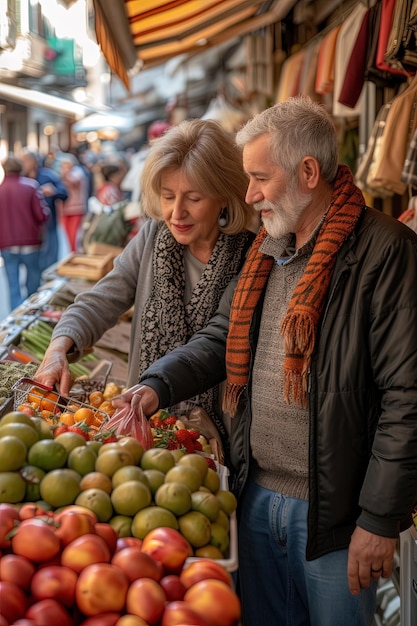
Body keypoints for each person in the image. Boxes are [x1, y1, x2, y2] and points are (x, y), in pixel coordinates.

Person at [121, 96, 417, 626]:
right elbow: (220, 338)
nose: (249, 193)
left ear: (307, 172)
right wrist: (155, 385)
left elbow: (407, 395)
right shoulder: (269, 249)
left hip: (335, 517)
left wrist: (379, 518)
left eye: (259, 178)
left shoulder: (384, 250)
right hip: (256, 497)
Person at [34, 118, 257, 452]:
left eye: (193, 198)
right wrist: (57, 349)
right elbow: (102, 300)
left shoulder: (251, 257)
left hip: (216, 441)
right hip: (142, 430)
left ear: (224, 195)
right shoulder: (153, 239)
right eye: (168, 196)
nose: (176, 212)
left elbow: (217, 343)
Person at [0, 156, 50, 310]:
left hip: (7, 243)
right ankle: (32, 311)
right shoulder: (31, 186)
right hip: (31, 242)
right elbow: (42, 214)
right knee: (33, 280)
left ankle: (16, 316)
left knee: (12, 283)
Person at [21, 149, 68, 271]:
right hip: (29, 226)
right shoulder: (21, 180)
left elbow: (64, 193)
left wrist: (54, 191)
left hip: (48, 223)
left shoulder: (48, 176)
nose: (23, 164)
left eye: (25, 161)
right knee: (34, 262)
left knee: (51, 255)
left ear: (34, 161)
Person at [58, 153, 89, 252]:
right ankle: (71, 252)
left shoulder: (78, 172)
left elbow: (73, 182)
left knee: (73, 234)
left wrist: (65, 174)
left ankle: (74, 253)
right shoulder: (61, 174)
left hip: (76, 209)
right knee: (67, 235)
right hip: (64, 209)